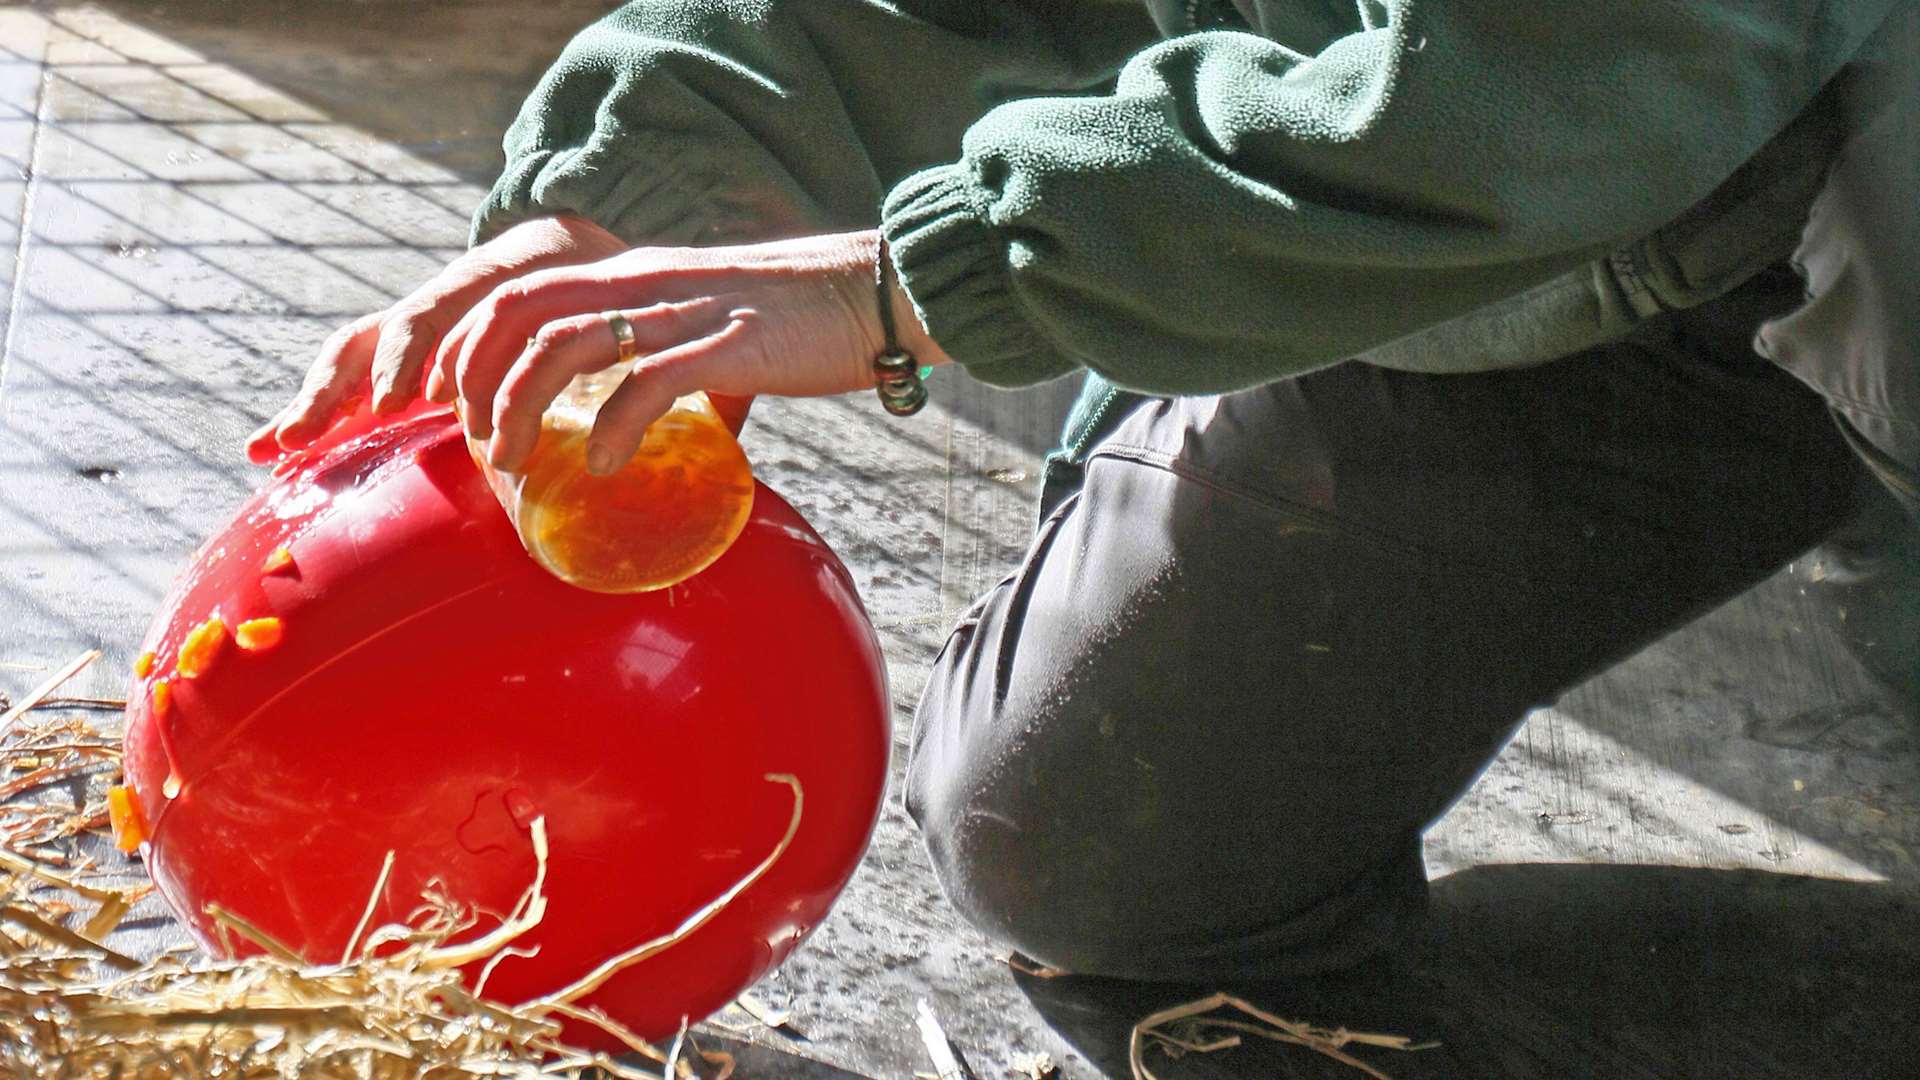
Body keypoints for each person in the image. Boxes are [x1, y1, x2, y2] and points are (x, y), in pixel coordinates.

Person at [248, 1, 1916, 981]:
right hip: (1448, 243)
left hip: (1773, 152)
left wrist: (905, 285)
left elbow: (1553, 78)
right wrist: (641, 187)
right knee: (1090, 838)